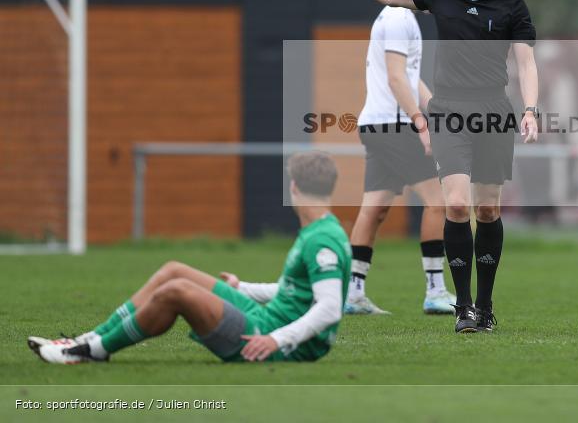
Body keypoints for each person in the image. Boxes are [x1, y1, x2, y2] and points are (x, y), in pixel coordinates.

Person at [326, 0, 539, 333]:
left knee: (488, 210)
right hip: (449, 112)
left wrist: (530, 109)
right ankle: (462, 309)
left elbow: (526, 63)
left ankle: (485, 305)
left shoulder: (512, 3)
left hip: (494, 112)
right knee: (456, 206)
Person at [29, 152, 352, 363]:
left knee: (177, 292)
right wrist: (244, 288)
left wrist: (274, 339)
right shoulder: (318, 230)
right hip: (269, 320)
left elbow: (329, 307)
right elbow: (293, 291)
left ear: (293, 187)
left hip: (277, 342)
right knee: (174, 271)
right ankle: (90, 337)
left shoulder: (322, 240)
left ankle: (91, 352)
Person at [346, 0, 457, 316]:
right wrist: (421, 125)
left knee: (374, 209)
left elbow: (409, 78)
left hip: (377, 126)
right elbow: (396, 79)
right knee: (439, 202)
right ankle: (436, 291)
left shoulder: (400, 17)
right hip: (394, 127)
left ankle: (353, 292)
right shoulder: (399, 17)